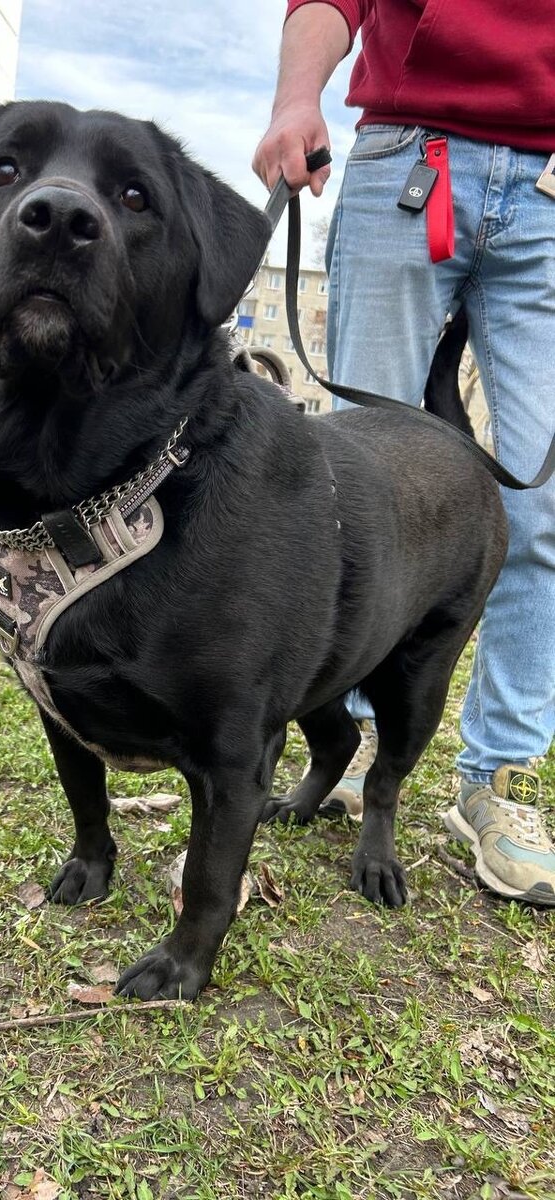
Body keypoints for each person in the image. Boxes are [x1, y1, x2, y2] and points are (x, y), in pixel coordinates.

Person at [253, 0, 555, 906]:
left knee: (541, 510)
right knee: (353, 494)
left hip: (550, 191)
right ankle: (339, 745)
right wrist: (295, 98)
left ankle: (493, 781)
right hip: (407, 163)